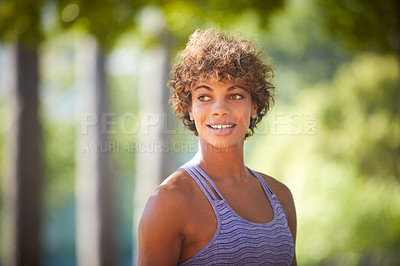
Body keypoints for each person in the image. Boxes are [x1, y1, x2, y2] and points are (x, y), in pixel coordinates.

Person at [138, 28, 297, 266]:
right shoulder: (169, 201)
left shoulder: (280, 196)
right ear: (190, 108)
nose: (220, 109)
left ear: (254, 106)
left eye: (235, 95)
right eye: (204, 97)